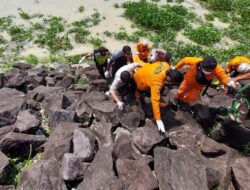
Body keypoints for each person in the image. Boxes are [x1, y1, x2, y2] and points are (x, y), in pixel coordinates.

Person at [133, 58, 183, 132]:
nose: (172, 84)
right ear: (169, 78)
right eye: (172, 83)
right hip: (139, 77)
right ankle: (137, 95)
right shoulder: (156, 82)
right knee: (141, 88)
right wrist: (158, 119)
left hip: (147, 69)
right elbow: (154, 100)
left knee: (158, 89)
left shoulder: (166, 65)